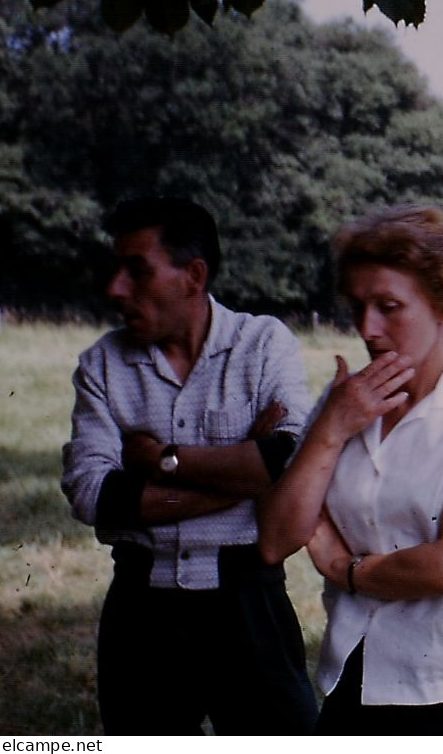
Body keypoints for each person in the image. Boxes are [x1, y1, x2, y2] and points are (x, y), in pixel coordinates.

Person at [257, 205, 443, 735]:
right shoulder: (345, 400)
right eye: (358, 306)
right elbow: (276, 539)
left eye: (390, 307)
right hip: (357, 672)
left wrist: (344, 570)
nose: (368, 328)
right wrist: (330, 428)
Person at [60, 197, 317, 735]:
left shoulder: (263, 345)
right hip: (141, 614)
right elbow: (94, 494)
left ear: (193, 275)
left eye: (138, 271)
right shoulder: (102, 366)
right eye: (116, 271)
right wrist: (241, 479)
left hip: (250, 604)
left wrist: (161, 462)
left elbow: (288, 457)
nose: (116, 289)